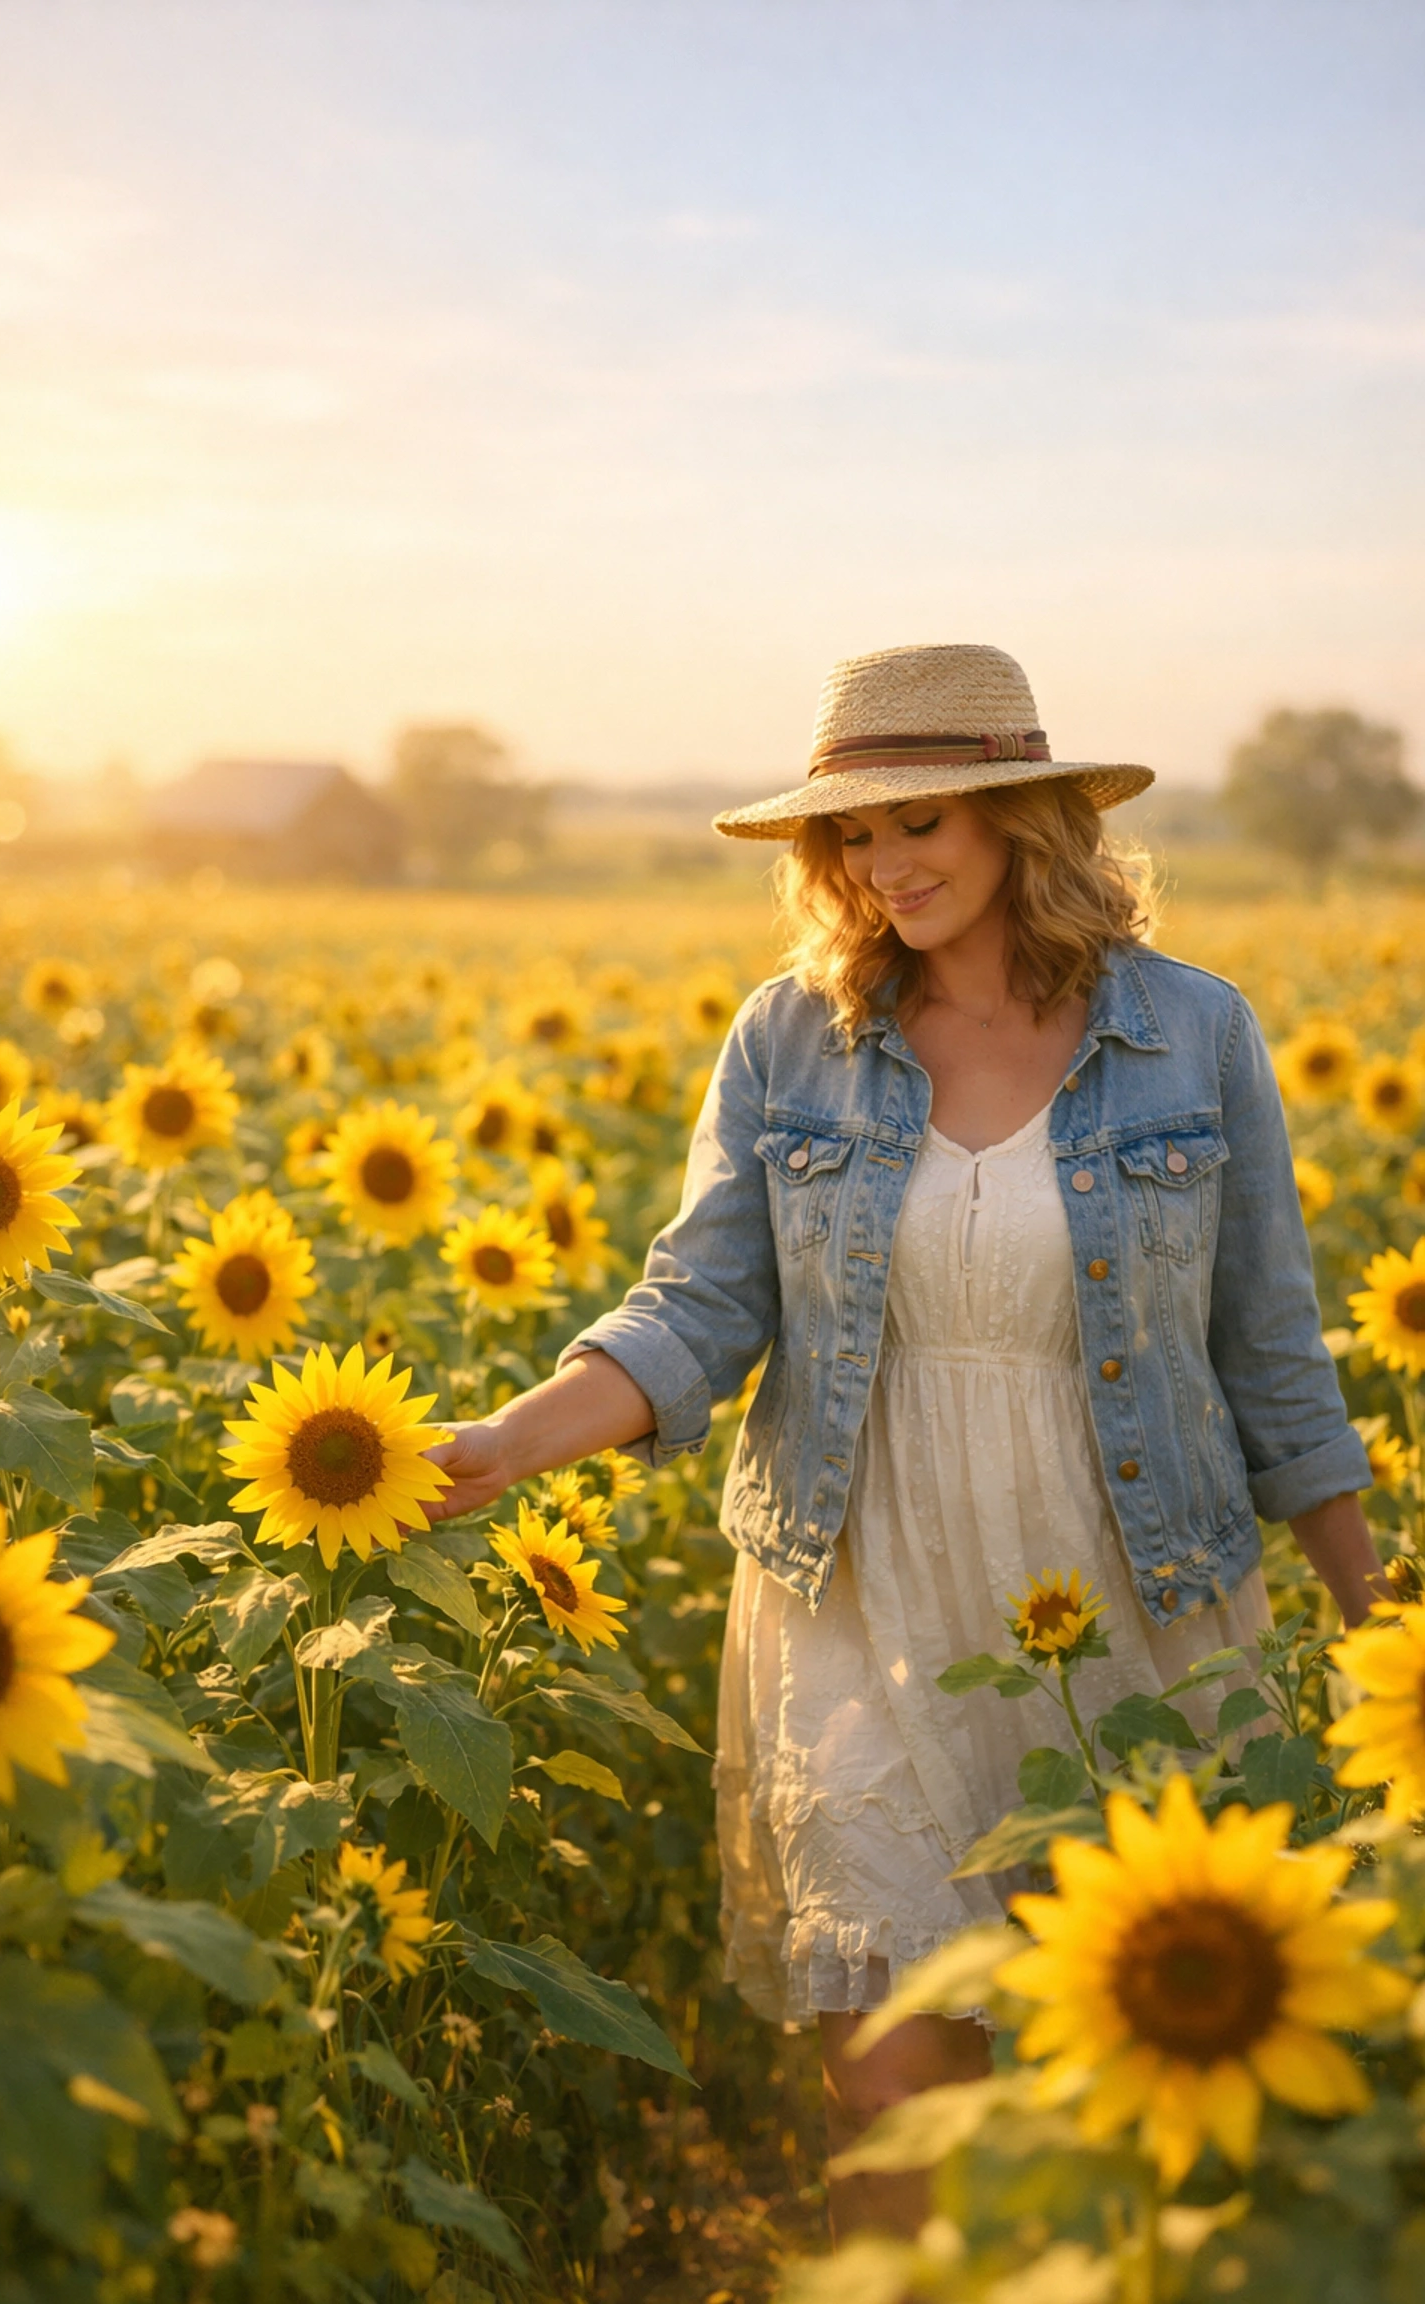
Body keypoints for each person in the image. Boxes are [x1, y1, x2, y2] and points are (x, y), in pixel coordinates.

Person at [424, 642, 1383, 2241]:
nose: (883, 865)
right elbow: (700, 1305)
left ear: (1022, 820)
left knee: (1121, 2069)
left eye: (920, 823)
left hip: (1132, 1584)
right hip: (861, 1589)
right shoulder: (788, 1040)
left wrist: (1377, 1616)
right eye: (852, 836)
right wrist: (514, 1440)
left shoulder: (1194, 1034)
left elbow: (1270, 1346)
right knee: (885, 2064)